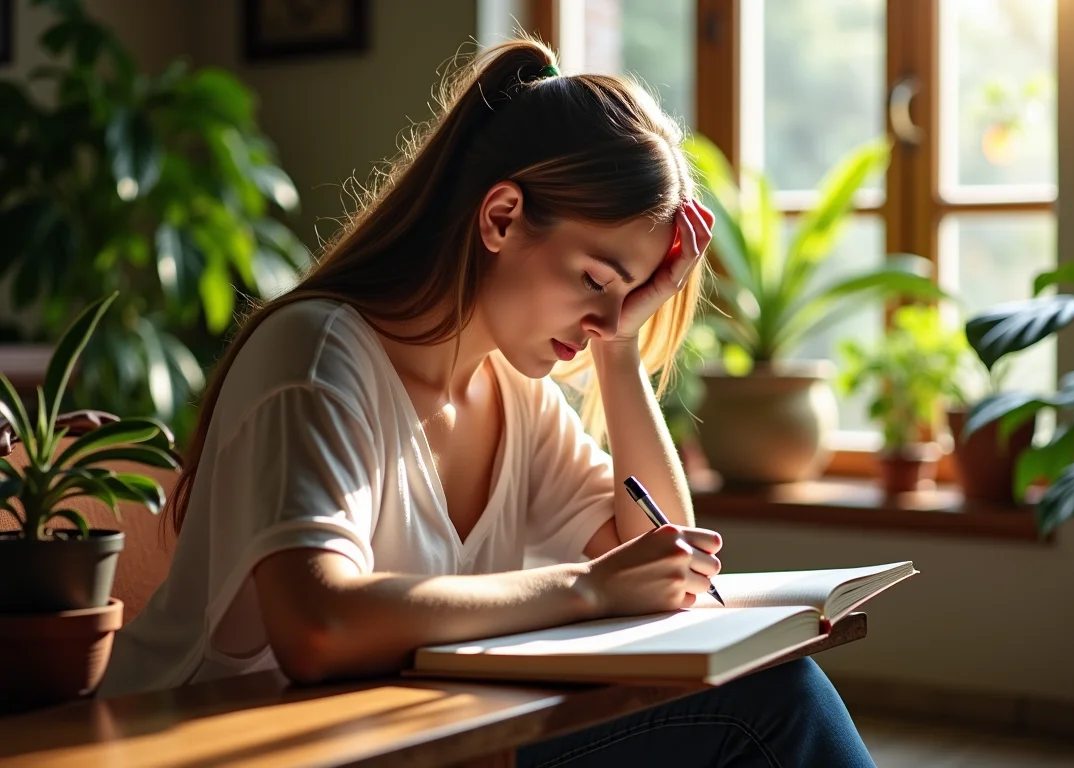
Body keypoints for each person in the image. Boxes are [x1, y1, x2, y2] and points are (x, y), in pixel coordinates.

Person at [97, 38, 877, 767]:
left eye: (631, 291)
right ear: (501, 217)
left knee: (774, 696)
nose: (609, 314)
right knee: (771, 709)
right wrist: (588, 588)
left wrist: (616, 348)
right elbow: (318, 628)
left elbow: (660, 552)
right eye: (595, 281)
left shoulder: (510, 391)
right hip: (231, 746)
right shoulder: (317, 354)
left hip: (416, 738)